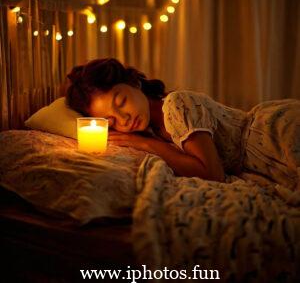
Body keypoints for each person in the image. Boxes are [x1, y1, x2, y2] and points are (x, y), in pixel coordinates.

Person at [66, 58, 300, 192]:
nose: (124, 119)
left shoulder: (177, 105)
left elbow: (212, 173)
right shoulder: (153, 130)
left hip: (277, 133)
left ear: (134, 83)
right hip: (262, 161)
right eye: (111, 120)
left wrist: (145, 144)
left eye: (122, 102)